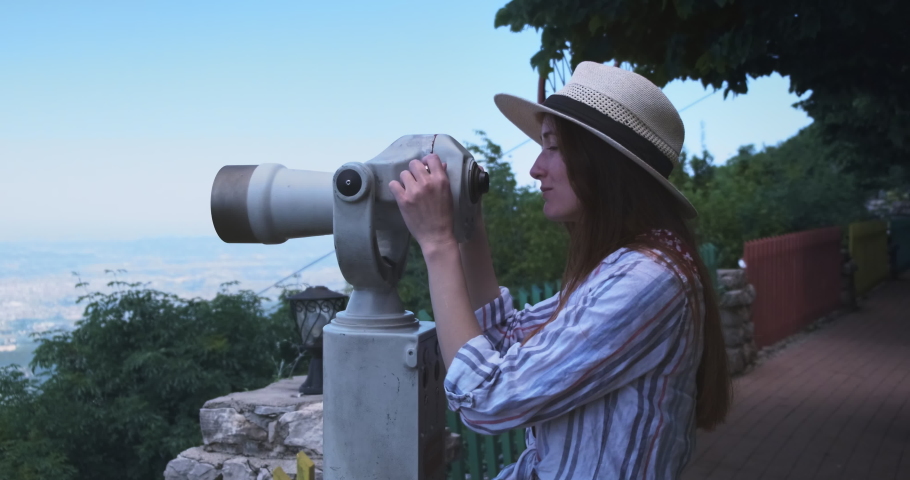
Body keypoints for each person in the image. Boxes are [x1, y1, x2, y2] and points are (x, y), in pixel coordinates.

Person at [389, 62, 731, 480]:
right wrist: (469, 226)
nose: (536, 167)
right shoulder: (619, 267)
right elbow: (504, 339)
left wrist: (437, 244)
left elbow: (485, 399)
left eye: (552, 146)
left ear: (601, 163)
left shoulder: (646, 281)